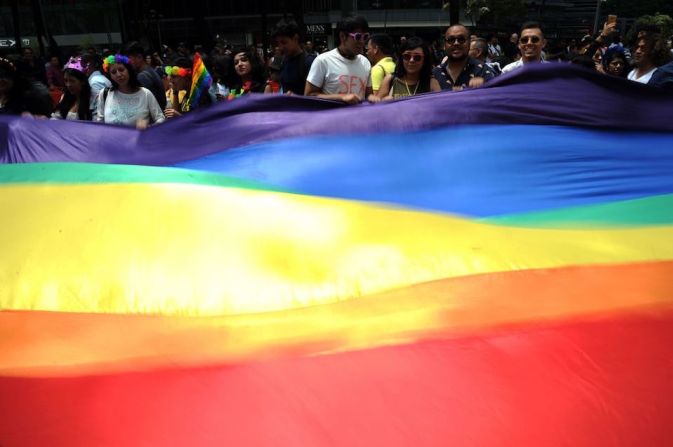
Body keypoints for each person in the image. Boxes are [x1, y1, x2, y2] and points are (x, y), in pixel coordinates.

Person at [305, 15, 372, 104]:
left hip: (358, 117)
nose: (362, 41)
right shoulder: (323, 61)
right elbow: (309, 95)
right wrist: (341, 97)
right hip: (332, 117)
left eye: (365, 37)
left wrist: (376, 98)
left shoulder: (365, 62)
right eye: (358, 37)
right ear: (342, 36)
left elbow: (368, 95)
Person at [95, 54, 165, 128]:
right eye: (113, 72)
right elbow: (100, 123)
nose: (118, 74)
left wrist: (149, 127)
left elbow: (160, 118)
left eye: (121, 70)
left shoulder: (145, 93)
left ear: (129, 71)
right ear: (110, 76)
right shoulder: (104, 94)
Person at [370, 36, 439, 101]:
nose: (411, 60)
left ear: (424, 60)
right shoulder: (390, 80)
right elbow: (377, 106)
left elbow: (440, 108)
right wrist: (380, 100)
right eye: (407, 56)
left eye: (417, 57)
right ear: (401, 58)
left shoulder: (432, 83)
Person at [432, 24, 496, 90]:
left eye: (461, 39)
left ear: (469, 43)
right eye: (451, 40)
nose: (456, 43)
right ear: (444, 45)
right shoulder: (435, 74)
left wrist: (484, 87)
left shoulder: (483, 71)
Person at [271, 20, 316, 95]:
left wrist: (296, 97)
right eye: (278, 43)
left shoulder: (309, 61)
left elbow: (314, 95)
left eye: (284, 42)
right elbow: (275, 79)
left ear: (295, 38)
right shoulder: (282, 59)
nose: (280, 47)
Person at [125, 41, 167, 109]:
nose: (127, 63)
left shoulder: (142, 77)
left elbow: (146, 106)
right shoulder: (149, 71)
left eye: (129, 59)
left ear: (139, 57)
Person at [81, 53, 111, 120]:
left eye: (82, 66)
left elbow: (97, 109)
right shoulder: (97, 78)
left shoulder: (95, 82)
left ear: (88, 66)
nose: (81, 69)